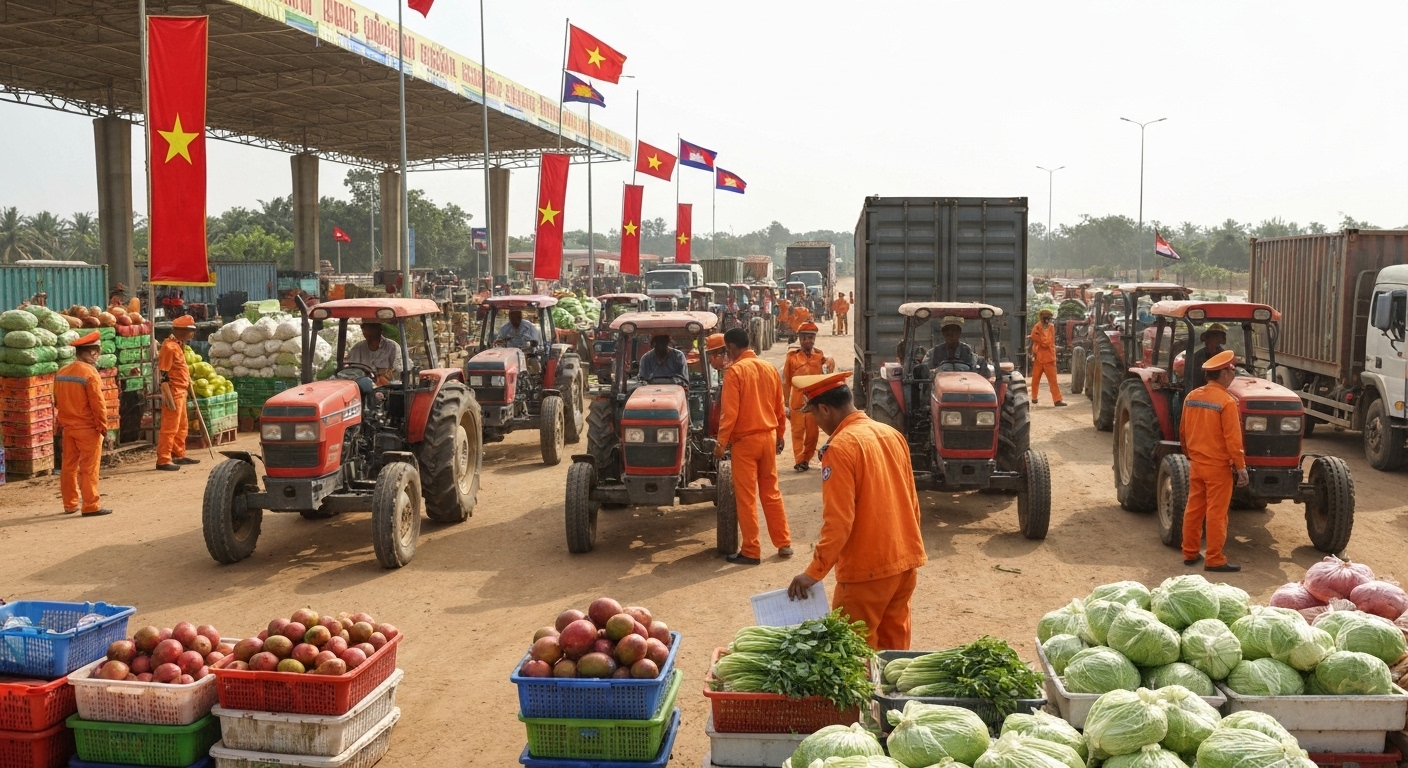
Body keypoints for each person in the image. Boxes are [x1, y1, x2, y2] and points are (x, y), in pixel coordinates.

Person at [785, 371, 927, 650]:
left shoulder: (840, 448)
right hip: (904, 565)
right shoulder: (891, 434)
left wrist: (814, 572)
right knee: (893, 659)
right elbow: (912, 503)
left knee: (854, 659)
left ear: (825, 409)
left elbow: (838, 522)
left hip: (866, 574)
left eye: (813, 414)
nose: (815, 421)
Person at [715, 327, 790, 564]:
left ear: (731, 347)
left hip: (745, 443)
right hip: (768, 438)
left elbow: (730, 415)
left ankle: (751, 550)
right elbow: (780, 407)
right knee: (771, 492)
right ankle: (784, 543)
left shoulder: (735, 372)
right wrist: (780, 435)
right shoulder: (769, 369)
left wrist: (720, 445)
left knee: (746, 498)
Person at [1180, 350, 1248, 573]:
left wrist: (1190, 453)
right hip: (1218, 468)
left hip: (1197, 464)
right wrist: (1241, 467)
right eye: (1233, 370)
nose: (1234, 375)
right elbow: (1233, 439)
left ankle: (1190, 553)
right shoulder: (1227, 402)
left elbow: (1183, 431)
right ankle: (1214, 558)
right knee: (1217, 513)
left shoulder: (1192, 396)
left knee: (1194, 509)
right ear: (1225, 373)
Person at [55, 331, 112, 516]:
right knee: (89, 468)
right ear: (91, 353)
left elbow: (56, 401)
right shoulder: (90, 373)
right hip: (87, 429)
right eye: (96, 351)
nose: (97, 355)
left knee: (68, 467)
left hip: (68, 428)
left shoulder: (62, 372)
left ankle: (70, 504)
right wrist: (103, 427)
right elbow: (98, 404)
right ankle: (90, 505)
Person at [781, 322, 835, 472]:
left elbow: (829, 370)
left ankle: (805, 458)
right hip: (797, 402)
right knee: (797, 433)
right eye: (805, 338)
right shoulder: (791, 358)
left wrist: (830, 360)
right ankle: (799, 460)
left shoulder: (820, 355)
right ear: (800, 338)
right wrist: (785, 404)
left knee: (812, 434)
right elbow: (786, 382)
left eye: (811, 338)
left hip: (814, 402)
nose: (808, 341)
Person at [156, 315, 199, 471]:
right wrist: (167, 395)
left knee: (182, 426)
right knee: (170, 427)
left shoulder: (179, 345)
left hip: (182, 391)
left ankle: (178, 454)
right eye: (190, 331)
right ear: (181, 331)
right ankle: (163, 459)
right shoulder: (169, 347)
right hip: (173, 391)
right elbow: (163, 374)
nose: (192, 334)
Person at [1028, 309, 1066, 406]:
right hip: (1039, 358)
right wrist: (1039, 340)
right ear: (1044, 319)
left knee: (1053, 381)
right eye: (1047, 319)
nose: (1048, 321)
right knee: (1035, 379)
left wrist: (1039, 339)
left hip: (1048, 358)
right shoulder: (1037, 327)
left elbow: (1046, 341)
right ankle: (1034, 397)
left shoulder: (1050, 327)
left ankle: (1057, 400)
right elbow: (1035, 337)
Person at [347, 322, 404, 386]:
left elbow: (400, 369)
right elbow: (350, 369)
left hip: (387, 388)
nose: (368, 333)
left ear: (380, 330)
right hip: (362, 387)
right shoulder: (357, 348)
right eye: (365, 329)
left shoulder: (392, 347)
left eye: (372, 329)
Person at [1187, 323, 1228, 391]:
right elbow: (1193, 380)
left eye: (1218, 337)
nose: (1215, 340)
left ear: (1222, 340)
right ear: (1207, 338)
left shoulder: (1225, 356)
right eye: (1213, 336)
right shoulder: (1197, 357)